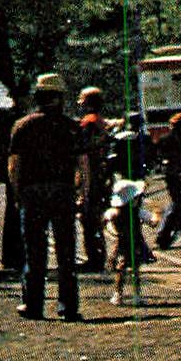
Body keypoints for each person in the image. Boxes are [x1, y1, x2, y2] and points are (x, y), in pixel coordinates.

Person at [7, 73, 82, 321]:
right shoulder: (72, 127)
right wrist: (82, 192)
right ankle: (68, 306)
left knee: (35, 251)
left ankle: (33, 304)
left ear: (38, 97)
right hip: (62, 191)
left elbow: (13, 166)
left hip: (33, 192)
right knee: (66, 251)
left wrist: (18, 193)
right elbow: (83, 166)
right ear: (60, 98)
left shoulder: (23, 126)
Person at [74, 86, 111, 272]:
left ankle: (94, 259)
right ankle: (98, 256)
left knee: (89, 218)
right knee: (94, 218)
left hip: (91, 176)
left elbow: (83, 154)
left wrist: (83, 186)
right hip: (100, 175)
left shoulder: (88, 123)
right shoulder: (101, 122)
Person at [105, 178, 152, 307]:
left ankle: (127, 295)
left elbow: (105, 219)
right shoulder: (129, 212)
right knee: (127, 268)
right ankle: (122, 294)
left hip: (128, 242)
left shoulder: (129, 212)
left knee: (128, 268)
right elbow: (151, 220)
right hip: (127, 242)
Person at [155, 112, 181, 250]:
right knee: (178, 204)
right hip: (180, 174)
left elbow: (159, 157)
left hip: (170, 175)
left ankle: (167, 236)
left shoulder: (164, 139)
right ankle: (171, 235)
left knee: (178, 203)